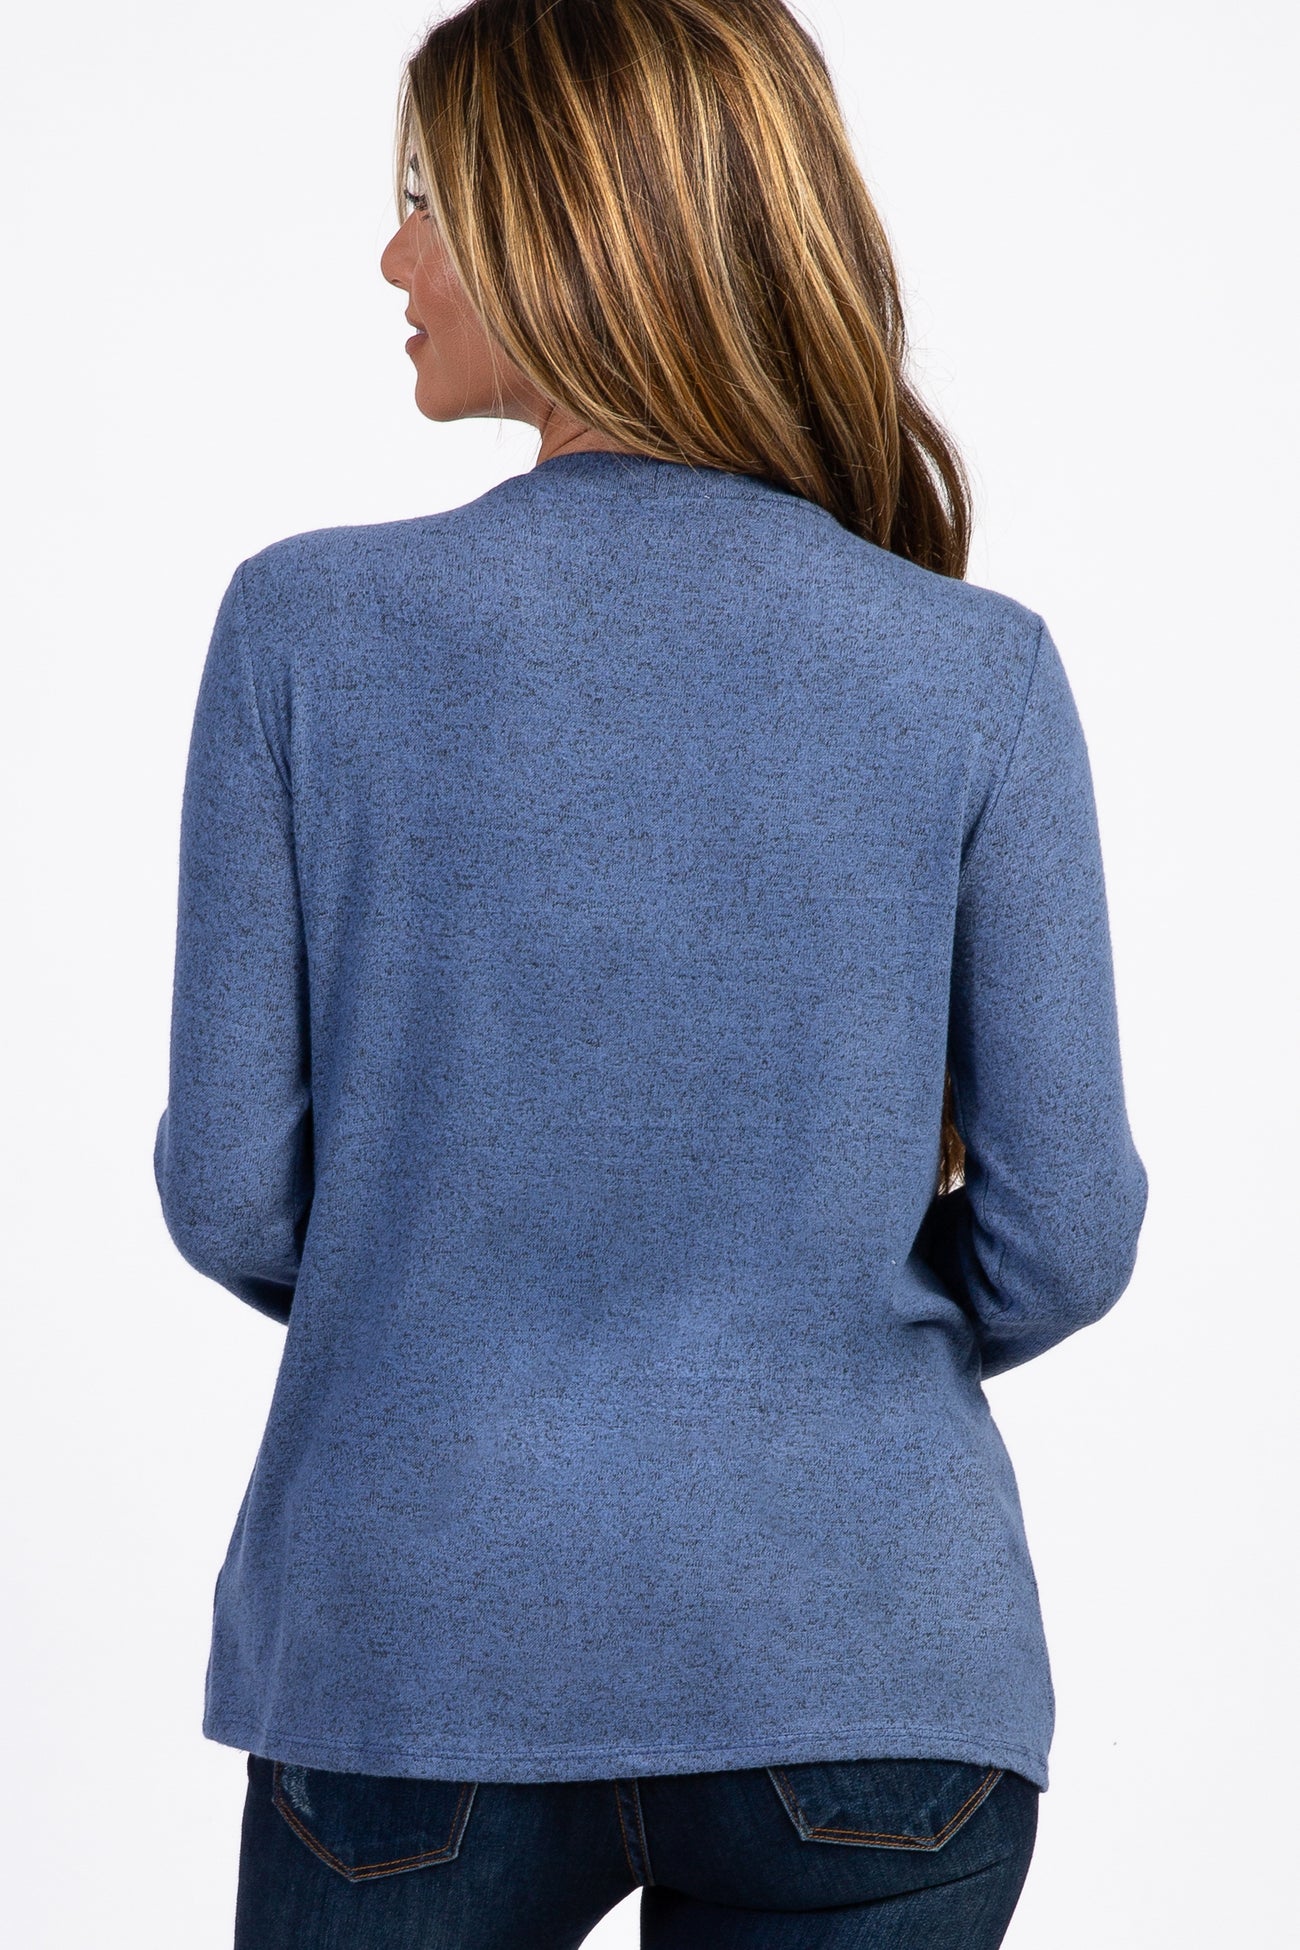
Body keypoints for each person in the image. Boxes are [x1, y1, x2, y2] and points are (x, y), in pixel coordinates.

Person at [152, 1, 1149, 1943]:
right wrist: (801, 1326)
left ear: (567, 222)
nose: (392, 255)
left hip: (414, 1641)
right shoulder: (974, 669)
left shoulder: (303, 630)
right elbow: (1070, 1238)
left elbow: (229, 1195)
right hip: (870, 1661)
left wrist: (440, 1295)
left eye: (427, 199)